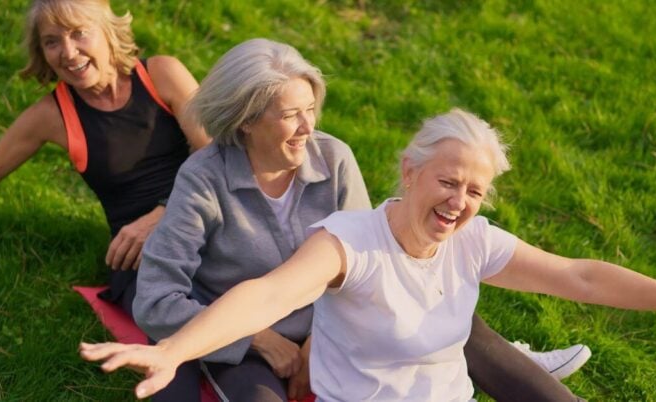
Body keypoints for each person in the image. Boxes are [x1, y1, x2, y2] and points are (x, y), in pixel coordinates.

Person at [80, 108, 656, 401]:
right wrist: (172, 349)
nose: (459, 201)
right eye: (448, 182)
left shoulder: (473, 241)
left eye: (475, 191)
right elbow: (270, 295)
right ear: (410, 171)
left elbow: (580, 277)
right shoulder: (350, 240)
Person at [125, 39, 589, 402]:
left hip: (341, 322)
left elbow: (372, 255)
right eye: (291, 115)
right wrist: (258, 339)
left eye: (311, 110)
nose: (310, 128)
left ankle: (530, 373)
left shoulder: (333, 158)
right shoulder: (203, 181)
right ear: (246, 120)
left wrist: (323, 339)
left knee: (461, 328)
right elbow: (156, 300)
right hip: (244, 335)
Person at [0, 0, 211, 315]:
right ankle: (258, 339)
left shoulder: (161, 73)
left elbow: (215, 154)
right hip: (139, 256)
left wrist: (161, 215)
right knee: (171, 311)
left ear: (106, 31)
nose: (67, 52)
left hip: (202, 218)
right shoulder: (50, 116)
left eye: (79, 33)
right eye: (52, 41)